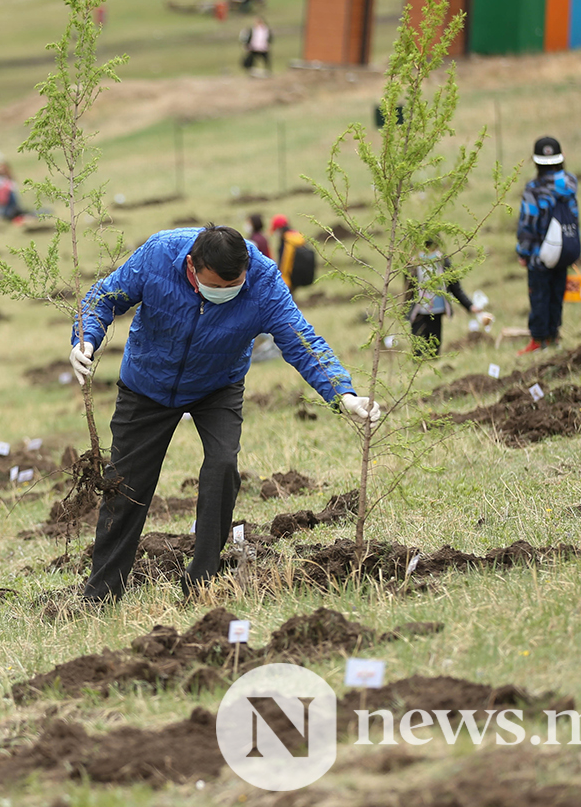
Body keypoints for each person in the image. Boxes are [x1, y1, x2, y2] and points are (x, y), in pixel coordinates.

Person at [67, 226, 379, 603]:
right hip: (147, 384)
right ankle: (101, 594)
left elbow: (301, 338)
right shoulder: (157, 256)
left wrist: (342, 393)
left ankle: (200, 583)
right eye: (215, 287)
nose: (224, 294)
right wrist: (85, 339)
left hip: (218, 385)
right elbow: (104, 295)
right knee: (126, 486)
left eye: (233, 286)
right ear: (191, 268)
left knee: (222, 465)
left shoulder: (262, 280)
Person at [516, 136, 581, 354]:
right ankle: (554, 335)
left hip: (539, 255)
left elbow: (528, 223)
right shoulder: (570, 184)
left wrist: (523, 252)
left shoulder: (534, 189)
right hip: (564, 251)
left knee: (539, 296)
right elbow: (574, 216)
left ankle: (538, 340)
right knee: (556, 294)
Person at [404, 241, 481, 359]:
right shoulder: (412, 264)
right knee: (418, 348)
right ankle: (418, 370)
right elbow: (407, 290)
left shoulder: (443, 262)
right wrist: (405, 309)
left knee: (434, 347)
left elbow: (455, 287)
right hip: (418, 311)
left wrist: (469, 305)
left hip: (437, 310)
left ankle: (432, 368)